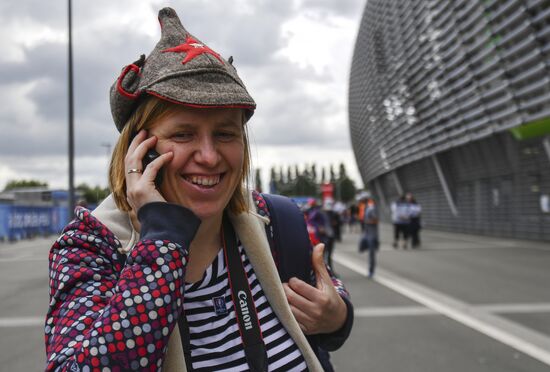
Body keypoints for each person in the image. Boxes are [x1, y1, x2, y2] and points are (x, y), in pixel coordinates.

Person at [44, 8, 352, 372]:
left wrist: (337, 316)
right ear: (138, 150)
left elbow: (330, 297)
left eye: (225, 133)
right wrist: (161, 239)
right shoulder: (89, 247)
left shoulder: (275, 220)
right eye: (183, 134)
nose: (208, 156)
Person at [360, 198, 379, 277]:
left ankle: (371, 271)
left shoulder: (371, 209)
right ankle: (370, 270)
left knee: (371, 253)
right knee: (362, 247)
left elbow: (376, 220)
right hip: (367, 234)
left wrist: (367, 221)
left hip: (372, 235)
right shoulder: (366, 209)